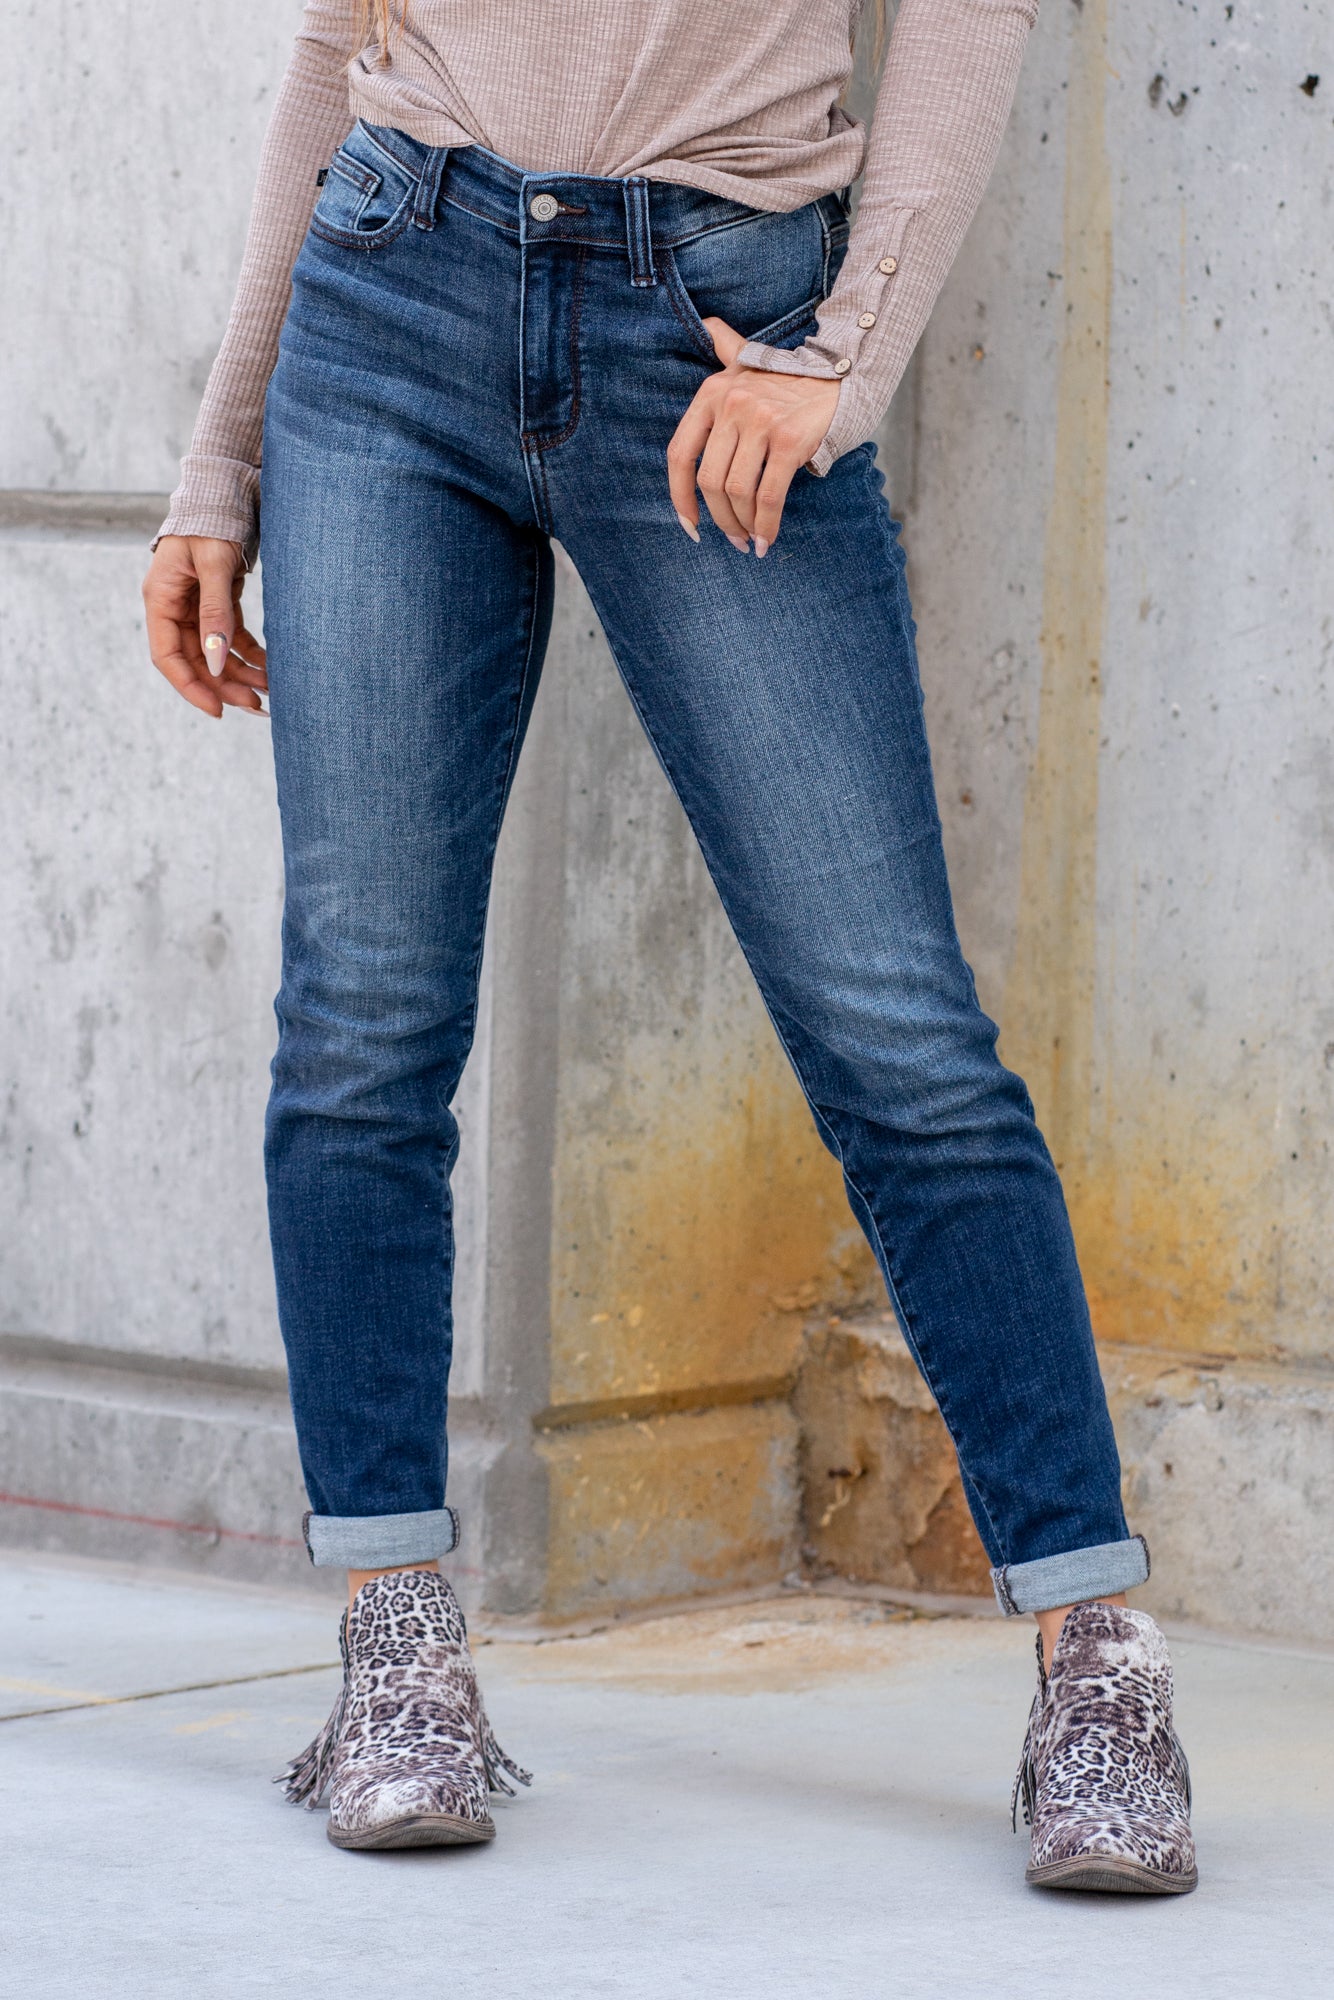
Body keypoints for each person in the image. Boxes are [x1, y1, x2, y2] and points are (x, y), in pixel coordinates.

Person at [142, 0, 1196, 1889]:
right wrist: (218, 465)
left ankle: (1093, 1658)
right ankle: (396, 1649)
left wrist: (842, 359)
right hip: (387, 300)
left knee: (895, 1038)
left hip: (710, 322)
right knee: (362, 1023)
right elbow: (331, 40)